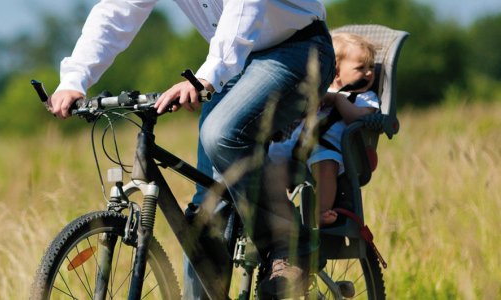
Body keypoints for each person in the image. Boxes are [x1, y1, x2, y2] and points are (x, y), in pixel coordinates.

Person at [44, 0, 334, 297]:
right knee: (207, 214)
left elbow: (245, 7)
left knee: (221, 133)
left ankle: (289, 246)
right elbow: (117, 10)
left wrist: (208, 76)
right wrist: (74, 79)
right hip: (235, 63)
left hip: (298, 50)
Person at [266, 33, 380, 225]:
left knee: (326, 167)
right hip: (296, 143)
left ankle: (321, 211)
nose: (369, 73)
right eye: (361, 68)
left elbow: (358, 118)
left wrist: (337, 99)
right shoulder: (321, 91)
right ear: (336, 73)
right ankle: (272, 209)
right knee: (265, 159)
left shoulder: (366, 97)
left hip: (328, 149)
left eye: (371, 67)